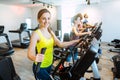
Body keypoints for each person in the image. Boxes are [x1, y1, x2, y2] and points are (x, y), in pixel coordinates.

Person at [27, 9, 79, 80]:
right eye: (43, 18)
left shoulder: (50, 31)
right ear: (38, 19)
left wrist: (75, 41)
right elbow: (29, 53)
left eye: (48, 18)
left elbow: (60, 44)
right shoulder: (36, 34)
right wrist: (35, 57)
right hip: (40, 67)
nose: (47, 21)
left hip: (49, 64)